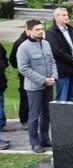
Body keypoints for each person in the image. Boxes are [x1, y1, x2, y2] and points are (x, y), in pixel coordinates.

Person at [17, 20, 57, 153]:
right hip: (34, 87)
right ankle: (34, 142)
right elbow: (24, 69)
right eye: (37, 29)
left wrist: (53, 77)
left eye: (41, 29)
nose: (40, 31)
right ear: (29, 31)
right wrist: (42, 80)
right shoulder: (24, 47)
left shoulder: (46, 44)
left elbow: (52, 61)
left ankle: (44, 138)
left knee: (47, 113)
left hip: (48, 85)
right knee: (34, 115)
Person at [45, 7, 73, 101]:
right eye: (64, 15)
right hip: (63, 70)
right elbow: (57, 51)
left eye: (67, 15)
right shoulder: (51, 32)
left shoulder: (71, 30)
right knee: (62, 98)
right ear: (56, 17)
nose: (67, 17)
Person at [10, 28, 30, 126]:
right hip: (24, 74)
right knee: (25, 96)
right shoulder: (20, 42)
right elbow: (13, 59)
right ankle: (24, 119)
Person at [0, 41, 11, 136]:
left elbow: (4, 57)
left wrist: (3, 65)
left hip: (1, 81)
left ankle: (2, 124)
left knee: (1, 104)